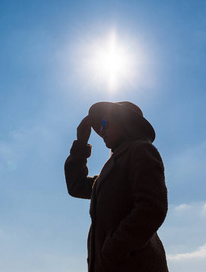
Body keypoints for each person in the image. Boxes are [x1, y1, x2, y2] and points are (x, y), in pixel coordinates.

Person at [64, 101, 169, 272]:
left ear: (124, 122)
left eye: (105, 123)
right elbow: (77, 186)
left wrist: (114, 249)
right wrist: (81, 143)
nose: (101, 130)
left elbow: (152, 208)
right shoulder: (112, 168)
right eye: (99, 126)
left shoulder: (140, 150)